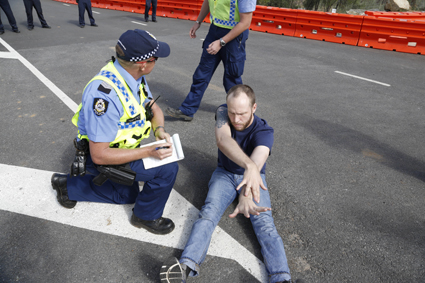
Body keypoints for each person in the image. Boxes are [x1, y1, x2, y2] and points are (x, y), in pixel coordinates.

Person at [161, 85, 302, 283]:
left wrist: (247, 191)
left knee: (265, 225)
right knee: (208, 214)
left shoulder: (264, 131)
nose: (235, 120)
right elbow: (223, 139)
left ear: (254, 108)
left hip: (255, 178)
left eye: (242, 114)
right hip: (225, 174)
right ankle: (186, 266)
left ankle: (281, 278)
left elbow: (258, 160)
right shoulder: (222, 112)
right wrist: (249, 167)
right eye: (232, 113)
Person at [51, 29, 179, 235]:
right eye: (155, 58)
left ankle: (67, 186)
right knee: (168, 168)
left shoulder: (131, 74)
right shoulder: (104, 97)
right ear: (143, 63)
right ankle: (145, 216)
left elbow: (153, 107)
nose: (157, 61)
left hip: (122, 149)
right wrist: (149, 152)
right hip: (105, 156)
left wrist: (159, 130)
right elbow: (100, 155)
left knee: (127, 195)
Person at [165, 0, 256, 121]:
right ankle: (187, 110)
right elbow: (208, 2)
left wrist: (221, 42)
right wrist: (198, 22)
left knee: (232, 78)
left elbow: (245, 23)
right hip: (214, 31)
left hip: (234, 36)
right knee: (202, 73)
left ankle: (241, 113)